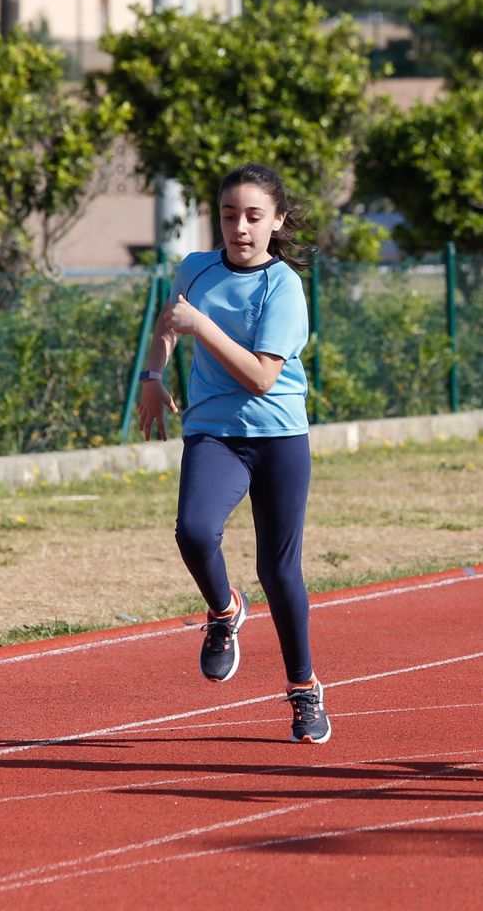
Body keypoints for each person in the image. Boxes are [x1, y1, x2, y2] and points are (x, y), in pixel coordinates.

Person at [137, 162, 331, 744]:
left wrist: (201, 326)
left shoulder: (284, 287)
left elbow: (262, 379)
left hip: (278, 439)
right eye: (228, 215)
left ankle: (304, 690)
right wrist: (152, 373)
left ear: (277, 221)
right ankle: (224, 612)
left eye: (252, 216)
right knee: (194, 531)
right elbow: (170, 323)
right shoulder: (194, 270)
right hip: (214, 433)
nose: (239, 228)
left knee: (279, 570)